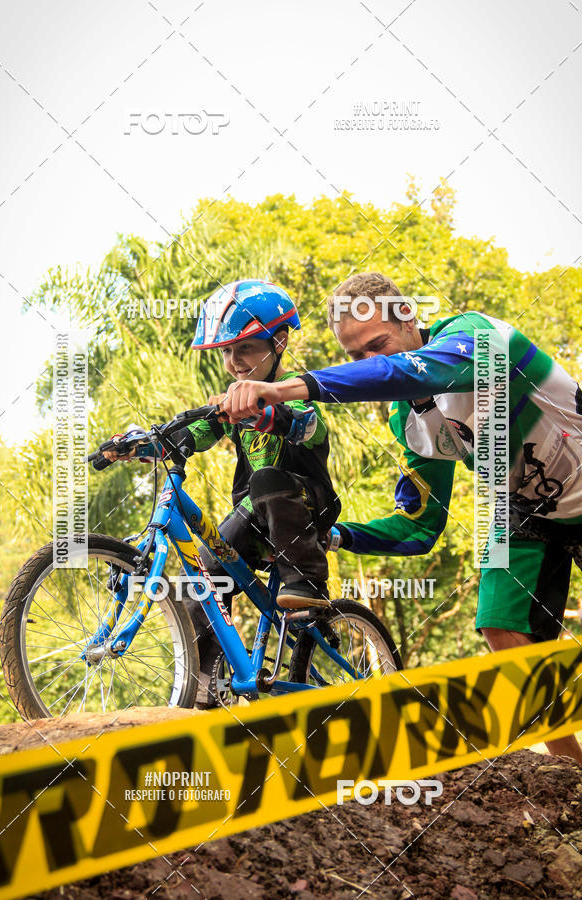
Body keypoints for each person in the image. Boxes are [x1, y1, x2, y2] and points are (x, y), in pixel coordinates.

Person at [219, 271, 582, 763]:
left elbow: (408, 371)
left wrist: (288, 388)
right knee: (500, 627)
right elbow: (418, 528)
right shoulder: (409, 422)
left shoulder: (480, 337)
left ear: (410, 318)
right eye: (355, 357)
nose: (371, 361)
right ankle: (570, 778)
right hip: (518, 509)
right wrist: (339, 536)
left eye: (378, 343)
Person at [105, 279, 340, 707]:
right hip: (255, 516)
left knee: (267, 478)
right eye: (227, 352)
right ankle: (204, 691)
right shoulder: (229, 405)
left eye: (245, 348)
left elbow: (307, 426)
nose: (234, 362)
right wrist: (141, 446)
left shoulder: (299, 393)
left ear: (279, 342)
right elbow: (190, 435)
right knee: (200, 583)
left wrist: (265, 410)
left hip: (306, 509)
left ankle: (306, 581)